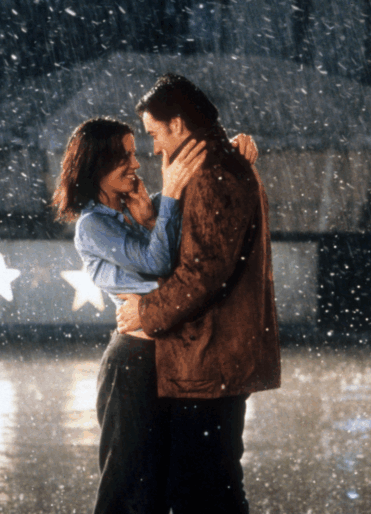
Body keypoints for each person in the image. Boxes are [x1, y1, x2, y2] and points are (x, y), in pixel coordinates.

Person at [50, 116, 258, 514]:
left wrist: (231, 151)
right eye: (123, 157)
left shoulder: (137, 210)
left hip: (170, 359)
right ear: (94, 166)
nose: (136, 164)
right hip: (133, 361)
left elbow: (197, 190)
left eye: (133, 153)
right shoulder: (93, 225)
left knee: (166, 485)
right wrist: (169, 199)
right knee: (128, 485)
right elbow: (157, 258)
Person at [116, 74, 281, 514]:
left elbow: (205, 274)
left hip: (210, 361)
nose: (153, 149)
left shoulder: (212, 173)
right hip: (209, 358)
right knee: (209, 485)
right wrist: (156, 218)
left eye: (154, 134)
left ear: (178, 124)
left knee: (207, 490)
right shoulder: (219, 164)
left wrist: (144, 311)